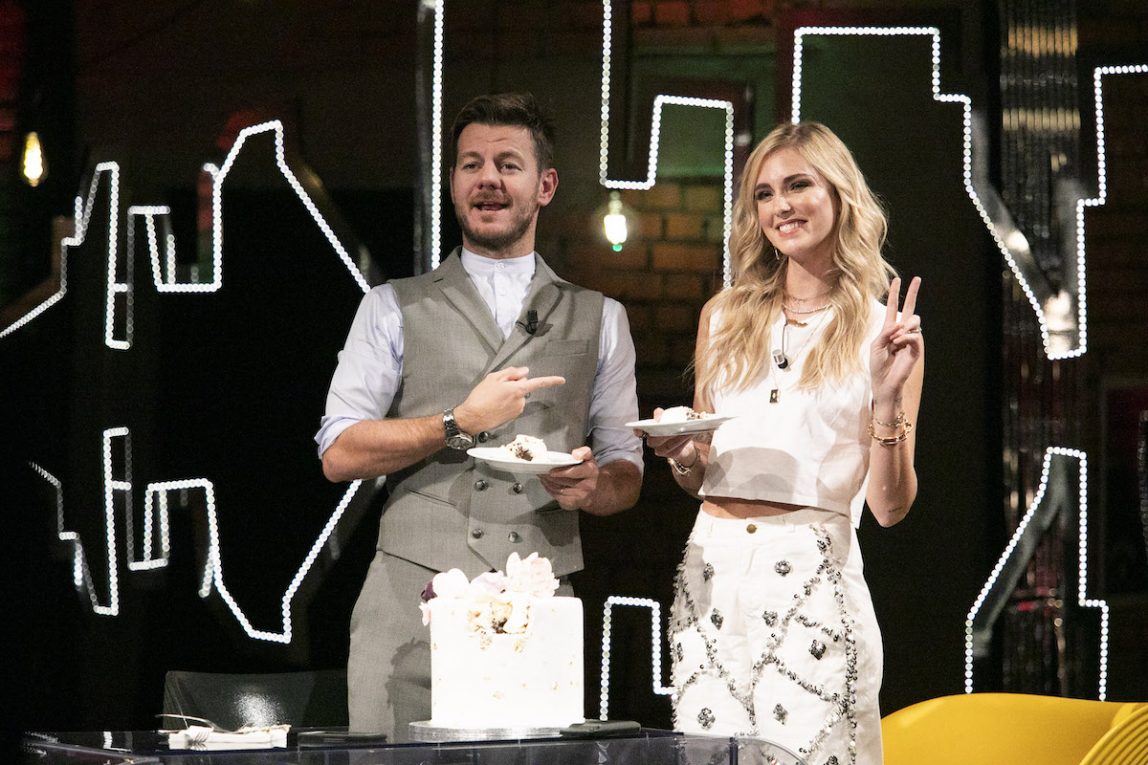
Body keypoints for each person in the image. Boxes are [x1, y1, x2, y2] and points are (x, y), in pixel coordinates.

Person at [316, 92, 644, 738]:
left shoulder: (601, 318)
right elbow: (340, 451)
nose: (487, 179)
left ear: (545, 186)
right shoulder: (391, 306)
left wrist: (592, 487)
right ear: (453, 183)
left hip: (537, 612)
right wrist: (455, 421)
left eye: (507, 164)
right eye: (471, 165)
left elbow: (625, 474)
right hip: (409, 612)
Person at [641, 121, 923, 765]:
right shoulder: (724, 315)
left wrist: (885, 398)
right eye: (765, 194)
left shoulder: (884, 329)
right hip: (712, 570)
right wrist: (683, 456)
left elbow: (890, 508)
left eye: (798, 185)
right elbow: (701, 470)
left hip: (811, 575)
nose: (781, 206)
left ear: (840, 195)